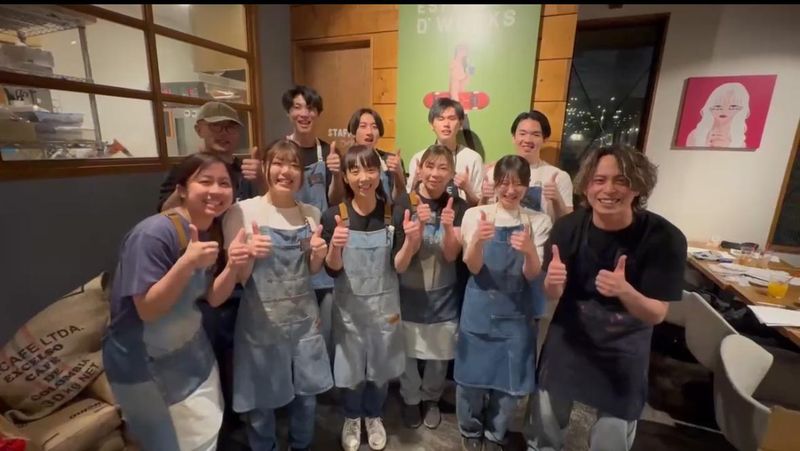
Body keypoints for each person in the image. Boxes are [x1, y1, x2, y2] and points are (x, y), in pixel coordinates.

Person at [525, 144, 687, 451]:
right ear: (586, 186)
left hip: (626, 339)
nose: (608, 189)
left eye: (621, 180)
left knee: (614, 425)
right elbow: (552, 293)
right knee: (547, 404)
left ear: (638, 186)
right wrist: (552, 283)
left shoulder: (664, 237)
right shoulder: (568, 228)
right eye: (599, 180)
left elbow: (656, 313)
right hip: (571, 331)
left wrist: (625, 291)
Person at [103, 152, 242, 450]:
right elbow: (148, 308)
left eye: (224, 183)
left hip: (191, 354)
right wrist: (186, 263)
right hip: (145, 366)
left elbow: (213, 297)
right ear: (181, 189)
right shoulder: (153, 234)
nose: (216, 190)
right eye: (205, 181)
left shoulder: (208, 230)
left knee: (204, 435)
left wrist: (233, 265)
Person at [156, 101, 261, 443]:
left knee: (237, 355)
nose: (223, 133)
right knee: (208, 358)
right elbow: (165, 215)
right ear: (199, 128)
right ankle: (217, 430)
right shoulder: (185, 170)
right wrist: (198, 187)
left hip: (238, 277)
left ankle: (238, 420)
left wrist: (258, 179)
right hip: (200, 282)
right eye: (215, 126)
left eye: (230, 127)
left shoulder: (245, 170)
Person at [222, 139, 333, 451]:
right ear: (265, 167)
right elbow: (239, 277)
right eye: (279, 163)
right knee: (262, 403)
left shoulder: (311, 214)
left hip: (304, 322)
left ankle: (302, 445)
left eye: (294, 165)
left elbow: (311, 270)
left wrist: (319, 255)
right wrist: (248, 254)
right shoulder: (242, 212)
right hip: (261, 323)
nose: (286, 171)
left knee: (307, 397)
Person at [455, 155, 552, 451]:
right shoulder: (475, 214)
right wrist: (477, 241)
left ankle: (496, 434)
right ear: (494, 183)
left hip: (517, 313)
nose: (510, 190)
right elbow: (473, 266)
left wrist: (529, 251)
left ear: (527, 185)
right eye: (504, 183)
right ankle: (470, 430)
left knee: (510, 383)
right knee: (471, 379)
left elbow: (532, 274)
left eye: (518, 184)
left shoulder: (538, 220)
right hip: (479, 307)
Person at [321, 145, 411, 451]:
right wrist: (335, 246)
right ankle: (352, 416)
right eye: (355, 170)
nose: (364, 177)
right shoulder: (335, 215)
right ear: (345, 177)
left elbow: (399, 266)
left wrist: (411, 242)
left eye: (371, 169)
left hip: (385, 308)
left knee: (380, 370)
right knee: (351, 371)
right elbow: (332, 270)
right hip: (349, 309)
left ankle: (373, 415)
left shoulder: (392, 214)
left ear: (379, 173)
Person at [480, 110, 574, 348]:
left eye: (535, 134)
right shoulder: (495, 172)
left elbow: (569, 224)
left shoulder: (557, 176)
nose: (527, 139)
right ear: (514, 136)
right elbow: (484, 213)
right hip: (500, 261)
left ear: (544, 138)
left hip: (538, 259)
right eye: (522, 133)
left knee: (533, 328)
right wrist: (482, 195)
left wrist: (557, 200)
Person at [395, 145, 468, 430]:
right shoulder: (404, 202)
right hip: (407, 293)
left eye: (442, 168)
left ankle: (431, 398)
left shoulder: (457, 206)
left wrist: (448, 228)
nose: (435, 173)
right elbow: (399, 261)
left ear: (451, 174)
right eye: (429, 166)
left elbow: (451, 255)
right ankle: (411, 398)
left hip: (444, 295)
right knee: (407, 350)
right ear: (419, 168)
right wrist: (416, 232)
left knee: (439, 352)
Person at [283, 85, 345, 357]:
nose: (304, 114)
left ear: (318, 113)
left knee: (327, 325)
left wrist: (338, 174)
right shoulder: (281, 152)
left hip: (322, 242)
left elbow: (335, 200)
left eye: (310, 108)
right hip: (289, 245)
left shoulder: (328, 151)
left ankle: (324, 374)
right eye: (297, 107)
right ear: (289, 112)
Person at [407, 98, 484, 207]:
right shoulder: (419, 158)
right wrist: (415, 183)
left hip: (461, 215)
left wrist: (467, 189)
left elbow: (480, 205)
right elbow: (409, 202)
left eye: (452, 119)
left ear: (460, 123)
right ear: (431, 124)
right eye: (441, 119)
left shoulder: (473, 158)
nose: (446, 124)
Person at [347, 107, 407, 203]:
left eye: (374, 127)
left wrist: (398, 173)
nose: (369, 132)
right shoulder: (346, 161)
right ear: (353, 132)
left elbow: (399, 199)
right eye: (363, 126)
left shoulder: (390, 160)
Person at [686, 82, 750, 148]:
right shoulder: (696, 135)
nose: (724, 111)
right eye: (718, 106)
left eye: (732, 107)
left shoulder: (739, 140)